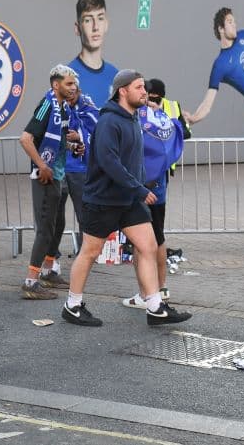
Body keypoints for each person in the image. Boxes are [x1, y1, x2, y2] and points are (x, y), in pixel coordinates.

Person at [62, 69, 192, 327]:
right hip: (104, 199)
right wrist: (140, 189)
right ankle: (72, 305)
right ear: (123, 91)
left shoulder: (132, 118)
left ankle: (154, 306)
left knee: (148, 246)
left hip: (129, 200)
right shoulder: (110, 121)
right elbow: (110, 162)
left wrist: (142, 184)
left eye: (143, 87)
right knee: (90, 251)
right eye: (139, 87)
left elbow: (136, 158)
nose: (145, 92)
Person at [17, 65, 86, 299]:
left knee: (58, 225)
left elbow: (56, 141)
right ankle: (30, 282)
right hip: (46, 176)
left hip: (59, 175)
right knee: (45, 230)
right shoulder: (47, 105)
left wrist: (73, 146)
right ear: (56, 85)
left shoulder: (63, 108)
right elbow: (25, 139)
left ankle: (48, 271)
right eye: (68, 83)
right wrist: (42, 165)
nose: (74, 87)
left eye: (74, 83)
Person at [122, 79, 185, 309]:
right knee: (156, 238)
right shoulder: (166, 116)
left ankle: (148, 294)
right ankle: (157, 289)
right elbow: (180, 136)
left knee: (144, 241)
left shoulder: (140, 117)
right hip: (159, 184)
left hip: (142, 187)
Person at [60, 78, 100, 256]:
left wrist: (79, 136)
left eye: (72, 91)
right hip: (59, 168)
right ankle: (51, 255)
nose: (69, 96)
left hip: (80, 170)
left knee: (84, 214)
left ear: (78, 91)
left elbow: (97, 131)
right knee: (54, 216)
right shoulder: (55, 107)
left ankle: (86, 253)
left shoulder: (88, 108)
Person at [68, 0, 118, 104]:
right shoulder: (66, 78)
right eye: (88, 20)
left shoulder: (116, 77)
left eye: (100, 18)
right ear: (77, 28)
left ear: (106, 24)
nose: (95, 27)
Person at [144, 78, 190, 175]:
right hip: (146, 161)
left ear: (162, 95)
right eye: (149, 95)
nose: (151, 99)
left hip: (166, 163)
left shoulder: (173, 106)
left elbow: (186, 133)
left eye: (155, 96)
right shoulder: (141, 107)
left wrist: (168, 132)